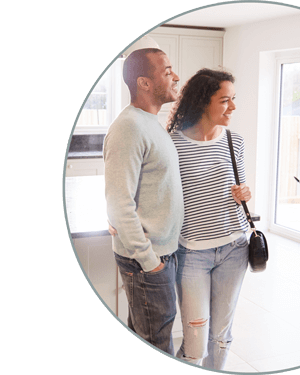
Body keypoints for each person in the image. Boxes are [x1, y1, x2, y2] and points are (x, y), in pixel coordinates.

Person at [166, 68, 251, 370]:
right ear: (203, 101)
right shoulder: (172, 144)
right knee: (196, 342)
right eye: (225, 100)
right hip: (191, 253)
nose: (233, 107)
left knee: (221, 336)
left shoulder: (234, 141)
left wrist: (243, 193)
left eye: (233, 99)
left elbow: (237, 186)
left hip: (234, 248)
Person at [103, 48, 184, 355]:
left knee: (148, 334)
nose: (175, 76)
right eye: (167, 71)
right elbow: (118, 200)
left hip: (159, 254)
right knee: (157, 342)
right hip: (146, 260)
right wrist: (150, 262)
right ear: (145, 83)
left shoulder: (151, 122)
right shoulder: (129, 127)